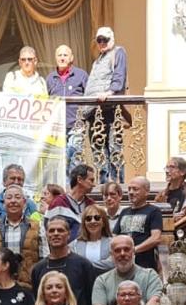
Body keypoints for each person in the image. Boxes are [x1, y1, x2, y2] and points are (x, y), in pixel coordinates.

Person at [82, 26, 129, 183]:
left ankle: (117, 185)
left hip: (110, 108)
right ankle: (103, 184)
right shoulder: (98, 61)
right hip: (94, 112)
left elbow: (119, 76)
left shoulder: (118, 52)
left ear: (111, 39)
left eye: (105, 40)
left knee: (114, 149)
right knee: (99, 151)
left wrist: (110, 93)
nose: (102, 43)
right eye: (99, 40)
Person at [32, 214, 99, 305]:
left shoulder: (83, 265)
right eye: (52, 231)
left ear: (68, 234)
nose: (56, 234)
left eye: (60, 230)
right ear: (47, 235)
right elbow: (38, 300)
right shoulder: (38, 269)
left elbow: (92, 300)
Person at [91, 235, 163, 305]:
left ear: (133, 252)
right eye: (117, 250)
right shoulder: (102, 280)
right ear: (111, 254)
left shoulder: (149, 275)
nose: (122, 254)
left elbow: (155, 303)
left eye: (126, 249)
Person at [0, 185, 47, 285]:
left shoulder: (37, 226)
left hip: (29, 285)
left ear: (24, 202)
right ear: (4, 203)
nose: (13, 201)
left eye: (18, 197)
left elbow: (44, 259)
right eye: (9, 198)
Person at [48, 45, 89, 170]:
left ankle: (73, 187)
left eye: (65, 55)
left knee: (75, 158)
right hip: (57, 126)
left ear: (71, 58)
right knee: (60, 160)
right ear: (55, 58)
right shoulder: (50, 78)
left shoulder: (81, 75)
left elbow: (89, 96)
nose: (62, 58)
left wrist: (85, 117)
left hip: (76, 124)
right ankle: (64, 188)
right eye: (59, 55)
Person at [111, 177, 163, 270]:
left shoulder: (154, 211)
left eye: (135, 189)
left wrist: (134, 250)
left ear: (146, 192)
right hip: (122, 264)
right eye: (129, 189)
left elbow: (156, 238)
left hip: (144, 265)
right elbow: (114, 236)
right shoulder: (124, 212)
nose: (130, 192)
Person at [70, 204, 114, 270]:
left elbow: (112, 263)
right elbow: (73, 264)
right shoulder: (74, 245)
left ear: (104, 222)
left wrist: (84, 265)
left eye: (97, 218)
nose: (92, 221)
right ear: (84, 223)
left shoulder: (113, 243)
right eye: (88, 219)